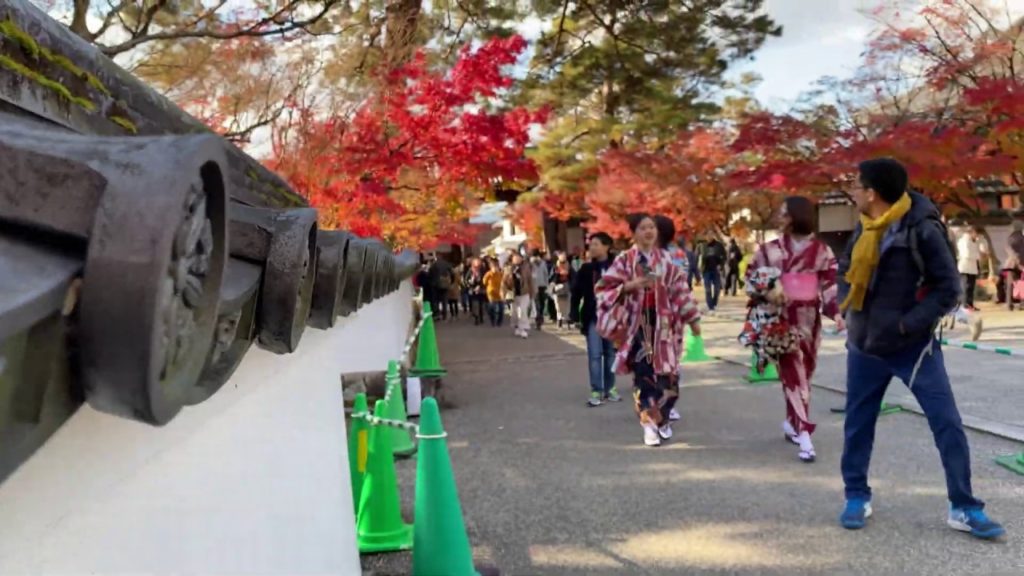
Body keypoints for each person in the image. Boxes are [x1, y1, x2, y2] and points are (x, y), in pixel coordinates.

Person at [837, 158, 1004, 539]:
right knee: (857, 424)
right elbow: (844, 270)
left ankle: (963, 505)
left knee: (947, 422)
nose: (853, 192)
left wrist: (907, 324)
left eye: (857, 186)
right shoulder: (862, 227)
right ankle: (855, 495)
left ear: (872, 193)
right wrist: (845, 307)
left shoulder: (922, 229)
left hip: (913, 347)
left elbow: (950, 289)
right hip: (864, 344)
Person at [747, 196, 841, 462]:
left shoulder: (822, 250)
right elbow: (752, 276)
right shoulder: (768, 250)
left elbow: (830, 284)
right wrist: (768, 290)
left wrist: (837, 312)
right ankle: (805, 433)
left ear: (797, 216)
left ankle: (792, 420)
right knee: (793, 373)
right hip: (780, 318)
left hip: (810, 318)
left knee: (805, 374)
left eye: (785, 213)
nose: (781, 218)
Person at [596, 213, 702, 447]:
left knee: (670, 378)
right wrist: (630, 286)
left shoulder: (666, 259)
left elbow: (681, 291)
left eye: (651, 227)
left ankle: (662, 418)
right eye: (643, 228)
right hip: (639, 325)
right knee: (645, 377)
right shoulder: (625, 260)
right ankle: (648, 424)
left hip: (666, 325)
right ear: (634, 233)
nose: (648, 232)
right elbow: (603, 288)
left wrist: (692, 319)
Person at [570, 232, 621, 406]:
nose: (591, 247)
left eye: (596, 244)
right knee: (594, 354)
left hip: (612, 317)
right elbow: (576, 293)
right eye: (590, 244)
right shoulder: (586, 269)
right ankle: (596, 390)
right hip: (593, 317)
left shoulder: (617, 267)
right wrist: (574, 314)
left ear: (606, 246)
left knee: (610, 354)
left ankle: (610, 388)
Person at [503, 253, 534, 338]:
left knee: (523, 311)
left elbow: (530, 280)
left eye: (518, 258)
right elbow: (504, 282)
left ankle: (523, 328)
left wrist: (532, 292)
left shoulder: (526, 267)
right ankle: (517, 327)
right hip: (513, 293)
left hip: (524, 292)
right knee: (514, 312)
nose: (517, 259)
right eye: (515, 258)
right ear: (512, 259)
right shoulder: (508, 268)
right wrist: (503, 293)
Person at [956, 226, 986, 310]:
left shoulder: (973, 241)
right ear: (971, 232)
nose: (976, 235)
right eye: (976, 233)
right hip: (965, 267)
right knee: (966, 286)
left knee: (971, 287)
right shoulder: (964, 241)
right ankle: (965, 304)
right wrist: (979, 255)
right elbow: (966, 254)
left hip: (972, 267)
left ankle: (970, 304)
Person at [701, 236, 726, 312]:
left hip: (716, 270)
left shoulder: (719, 245)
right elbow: (698, 256)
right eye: (708, 236)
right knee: (708, 289)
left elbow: (724, 256)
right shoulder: (703, 246)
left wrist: (721, 265)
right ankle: (710, 306)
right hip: (706, 271)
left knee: (717, 289)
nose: (709, 238)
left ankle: (714, 303)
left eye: (710, 236)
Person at [531, 252, 551, 329]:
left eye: (538, 257)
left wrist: (547, 284)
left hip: (543, 285)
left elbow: (546, 274)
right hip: (535, 286)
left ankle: (540, 316)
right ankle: (538, 320)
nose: (537, 258)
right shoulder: (531, 264)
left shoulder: (543, 263)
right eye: (535, 257)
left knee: (542, 303)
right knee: (537, 303)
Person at [482, 259, 505, 327]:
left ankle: (499, 322)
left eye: (496, 267)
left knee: (501, 308)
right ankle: (493, 321)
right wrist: (490, 274)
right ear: (491, 267)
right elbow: (484, 282)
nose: (495, 268)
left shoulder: (500, 274)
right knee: (492, 308)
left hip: (500, 293)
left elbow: (504, 282)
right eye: (493, 267)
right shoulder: (488, 274)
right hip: (491, 293)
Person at [465, 258, 487, 325]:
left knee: (481, 305)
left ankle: (481, 317)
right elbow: (466, 280)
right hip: (473, 290)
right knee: (475, 304)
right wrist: (470, 285)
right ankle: (476, 318)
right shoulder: (470, 271)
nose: (477, 265)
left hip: (481, 290)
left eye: (478, 263)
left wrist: (480, 286)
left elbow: (485, 280)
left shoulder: (483, 270)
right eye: (475, 263)